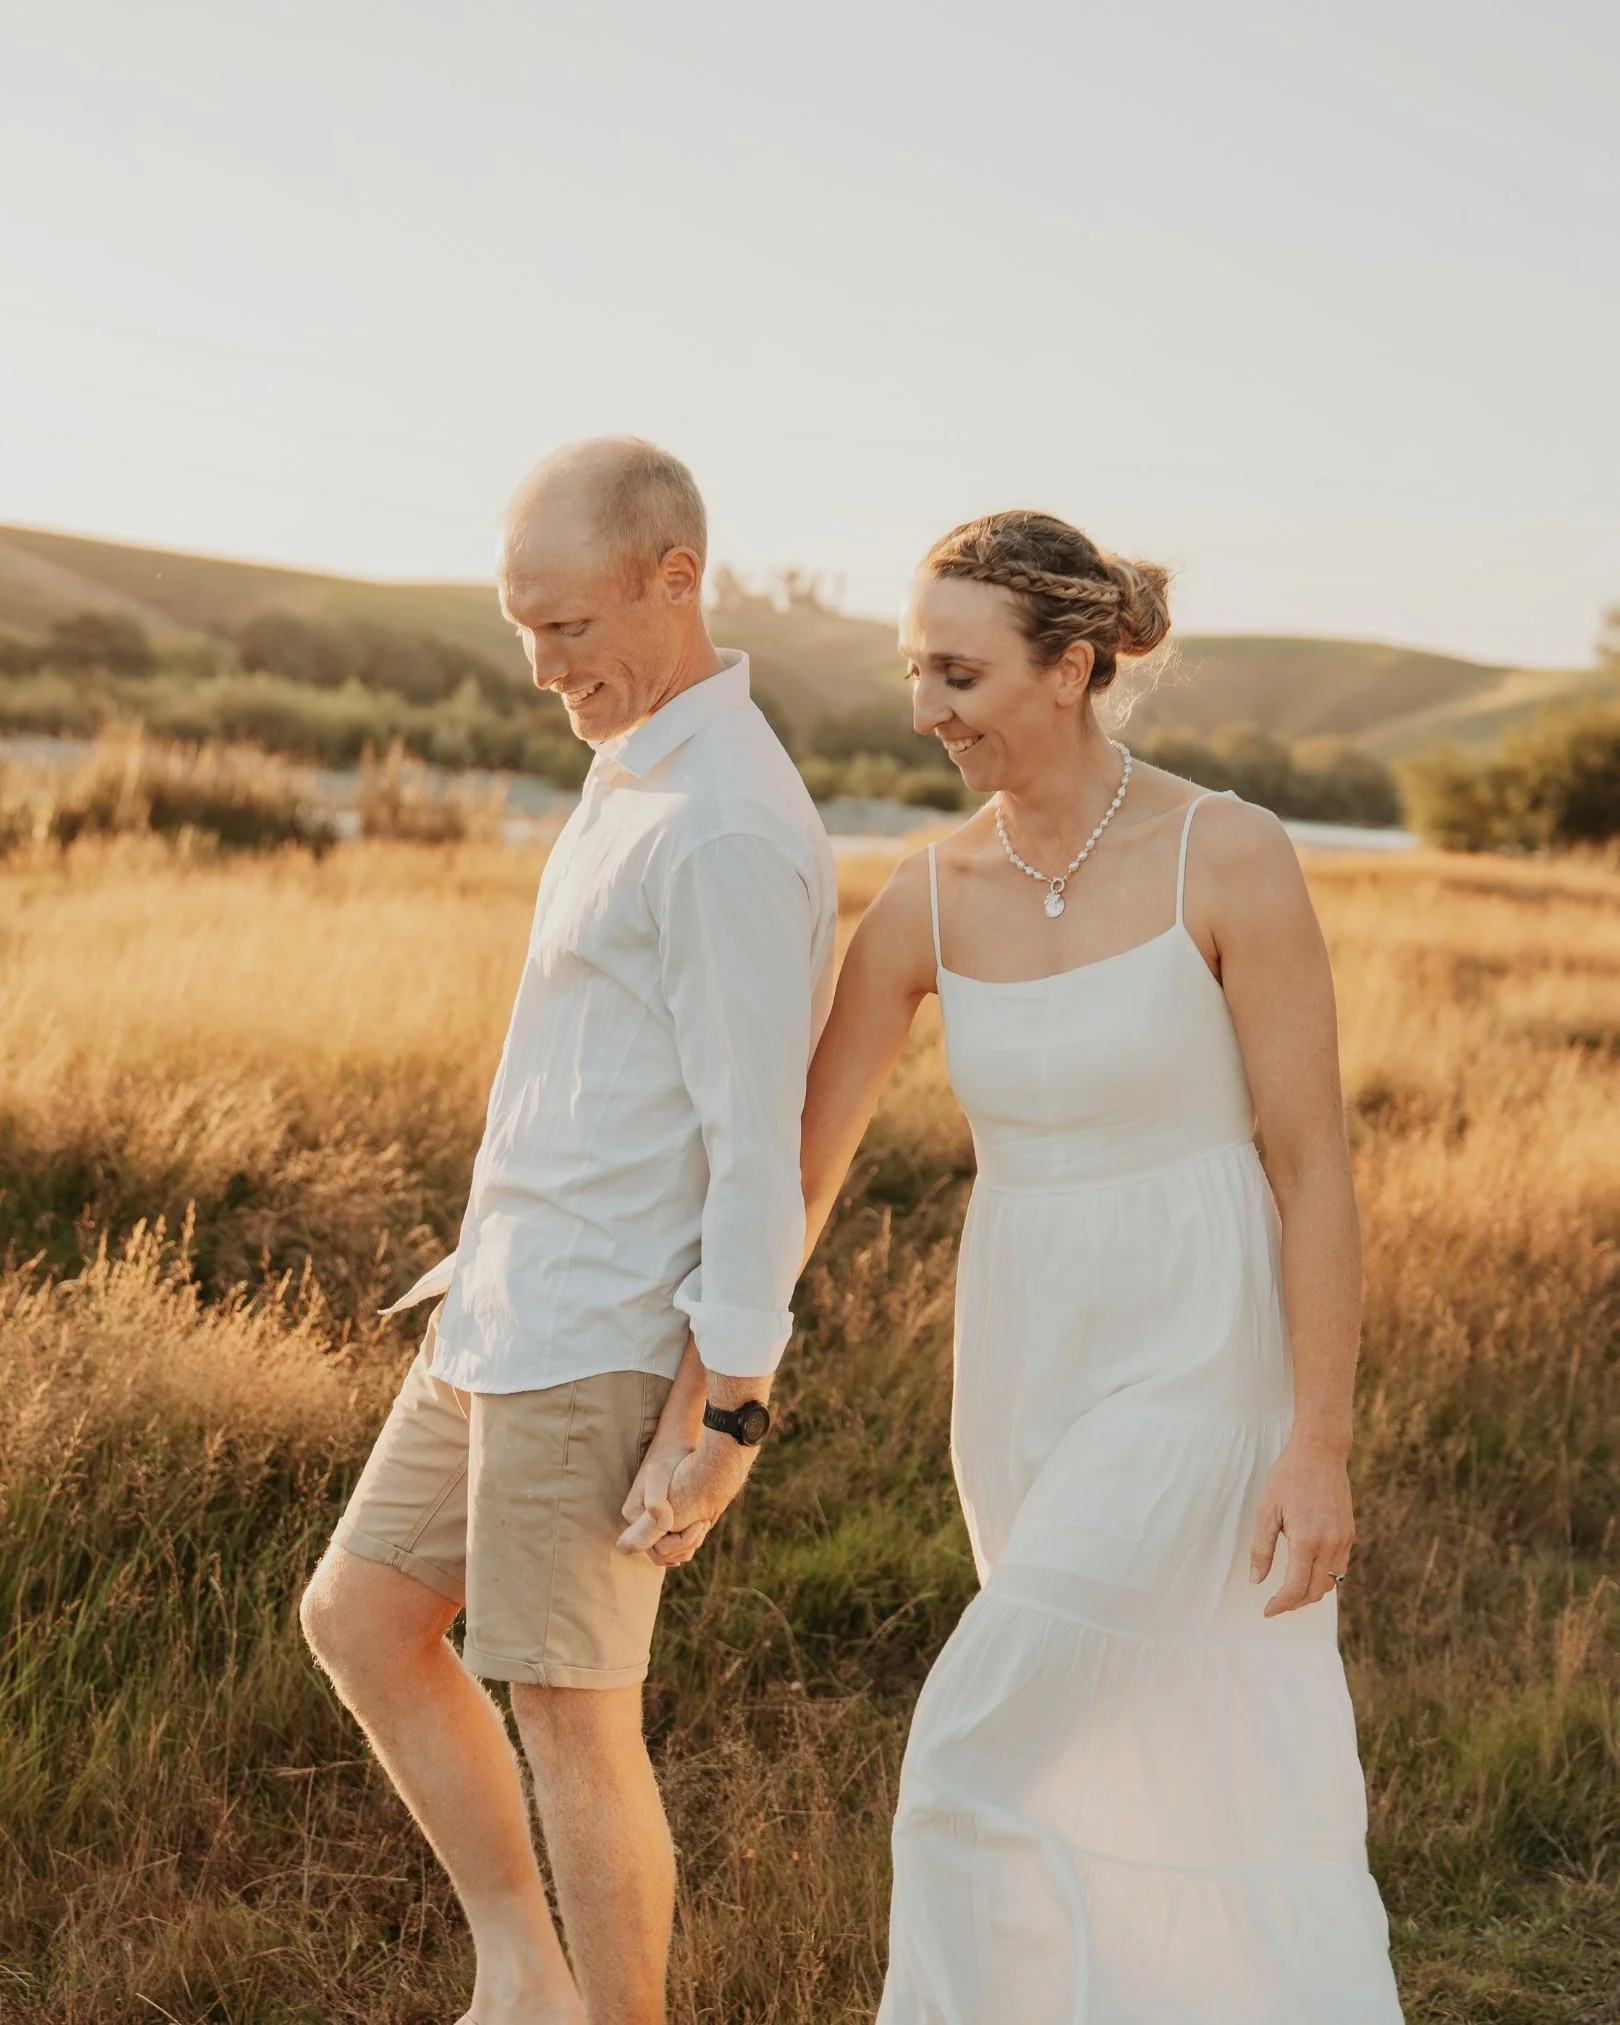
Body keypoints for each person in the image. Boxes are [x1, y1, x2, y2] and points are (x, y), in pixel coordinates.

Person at [631, 507, 1404, 2020]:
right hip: (1026, 1368)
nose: (925, 709)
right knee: (1131, 1753)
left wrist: (1320, 1439)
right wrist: (712, 1406)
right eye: (915, 669)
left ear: (1074, 665)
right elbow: (797, 1168)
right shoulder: (924, 896)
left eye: (960, 675)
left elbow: (1312, 1167)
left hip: (1204, 1356)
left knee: (974, 1755)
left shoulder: (1225, 853)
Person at [300, 438, 837, 2025]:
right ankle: (522, 1977)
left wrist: (729, 1398)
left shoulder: (725, 822)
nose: (542, 670)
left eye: (570, 629)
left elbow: (761, 1149)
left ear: (676, 584)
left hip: (601, 1335)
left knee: (572, 1712)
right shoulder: (636, 773)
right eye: (521, 628)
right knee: (365, 1618)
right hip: (501, 1310)